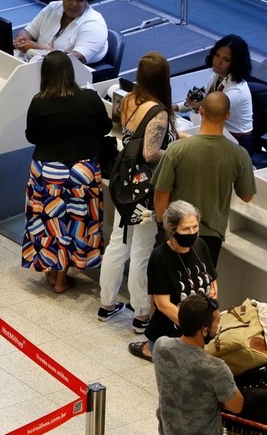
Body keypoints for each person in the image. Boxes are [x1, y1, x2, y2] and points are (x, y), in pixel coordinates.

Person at [98, 52, 177, 333]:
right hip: (145, 189)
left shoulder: (130, 99)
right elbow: (151, 152)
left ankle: (106, 303)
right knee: (142, 250)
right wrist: (177, 150)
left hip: (125, 182)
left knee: (119, 242)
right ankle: (142, 312)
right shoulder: (158, 113)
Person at [22, 51, 111, 293]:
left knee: (50, 222)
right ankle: (62, 277)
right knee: (76, 222)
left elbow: (32, 136)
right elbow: (106, 127)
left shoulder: (39, 101)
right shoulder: (90, 99)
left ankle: (53, 272)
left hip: (47, 171)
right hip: (82, 171)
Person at [152, 91, 256, 267]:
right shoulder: (240, 155)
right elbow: (246, 196)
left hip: (176, 228)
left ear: (201, 111)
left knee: (165, 285)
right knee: (200, 287)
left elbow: (161, 192)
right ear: (228, 115)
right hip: (211, 235)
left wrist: (164, 224)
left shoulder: (177, 149)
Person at [128, 201, 218, 362]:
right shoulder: (160, 257)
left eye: (195, 227)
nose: (192, 233)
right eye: (185, 229)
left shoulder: (201, 245)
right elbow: (162, 304)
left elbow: (211, 279)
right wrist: (194, 331)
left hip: (200, 330)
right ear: (171, 228)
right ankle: (149, 349)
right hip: (172, 332)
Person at [153, 294, 243, 434]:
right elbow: (236, 406)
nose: (218, 327)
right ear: (204, 331)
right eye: (217, 323)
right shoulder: (216, 368)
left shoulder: (161, 346)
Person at [14, 0, 108, 64]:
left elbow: (75, 59)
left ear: (86, 1)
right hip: (36, 62)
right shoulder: (53, 7)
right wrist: (22, 39)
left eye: (80, 0)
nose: (74, 4)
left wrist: (37, 48)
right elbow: (28, 31)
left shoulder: (94, 24)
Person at [179, 34, 255, 153]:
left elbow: (208, 116)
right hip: (219, 132)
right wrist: (175, 107)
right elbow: (200, 100)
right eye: (217, 55)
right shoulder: (217, 76)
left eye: (226, 60)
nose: (218, 61)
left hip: (236, 143)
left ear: (235, 63)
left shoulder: (236, 91)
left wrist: (195, 108)